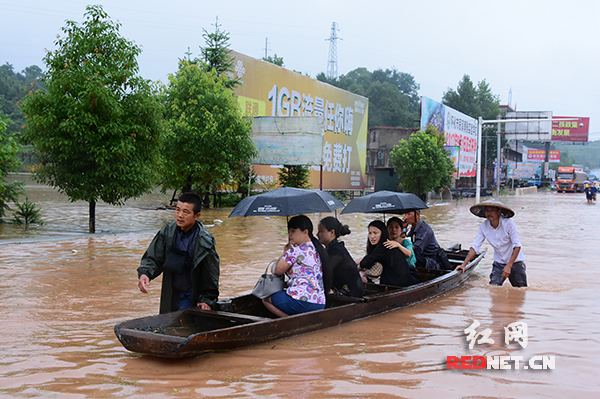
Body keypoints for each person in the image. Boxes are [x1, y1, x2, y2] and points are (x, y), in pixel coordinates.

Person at [137, 192, 220, 314]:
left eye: (186, 212)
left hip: (191, 295)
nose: (180, 215)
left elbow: (211, 274)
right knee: (167, 326)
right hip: (171, 292)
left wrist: (206, 299)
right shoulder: (167, 232)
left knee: (183, 328)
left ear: (196, 216)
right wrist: (145, 274)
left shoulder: (205, 241)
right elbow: (154, 257)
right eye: (177, 210)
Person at [263, 215, 332, 317]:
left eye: (293, 231)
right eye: (289, 231)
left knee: (265, 299)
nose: (290, 234)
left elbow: (276, 270)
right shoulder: (317, 250)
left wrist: (284, 253)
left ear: (305, 232)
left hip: (301, 301)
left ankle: (288, 320)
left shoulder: (294, 251)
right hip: (320, 302)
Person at [456, 198, 527, 287]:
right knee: (493, 288)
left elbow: (517, 246)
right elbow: (475, 246)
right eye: (487, 210)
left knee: (520, 291)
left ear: (499, 212)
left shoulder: (509, 224)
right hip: (499, 263)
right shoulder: (484, 226)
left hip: (515, 262)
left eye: (492, 210)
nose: (489, 213)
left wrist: (509, 265)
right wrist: (464, 265)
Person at [358, 220, 420, 287]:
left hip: (396, 286)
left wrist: (356, 269)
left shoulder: (385, 246)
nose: (372, 236)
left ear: (382, 233)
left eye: (375, 233)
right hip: (404, 281)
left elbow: (364, 263)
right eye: (370, 233)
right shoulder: (388, 244)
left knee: (361, 274)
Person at [317, 217, 363, 297]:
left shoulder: (337, 250)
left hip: (351, 294)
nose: (317, 234)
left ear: (332, 232)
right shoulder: (331, 247)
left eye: (321, 231)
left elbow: (326, 271)